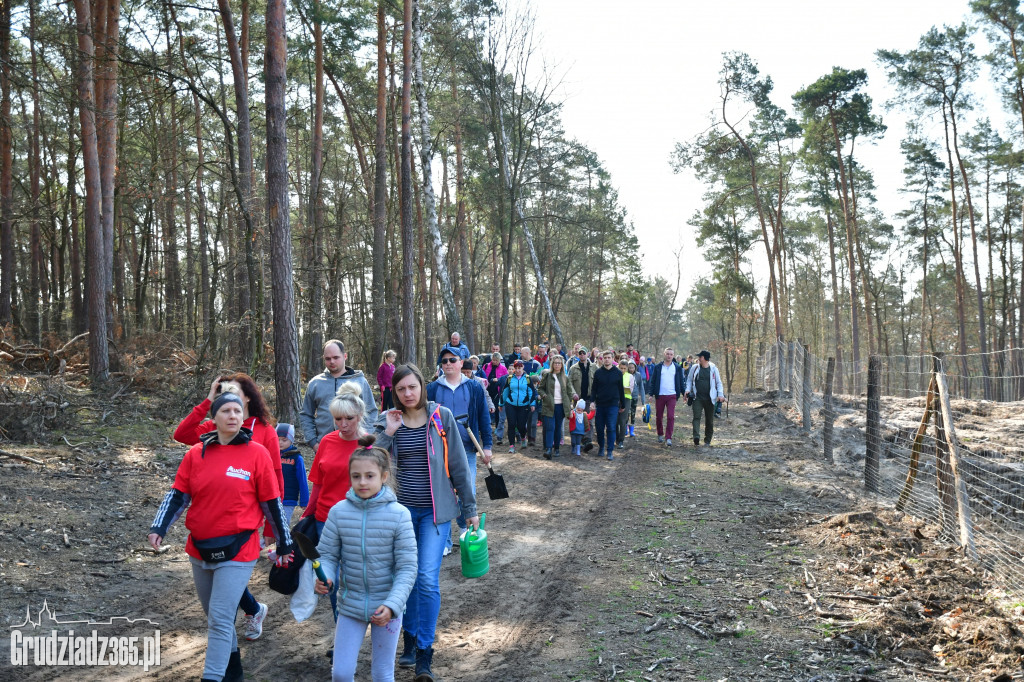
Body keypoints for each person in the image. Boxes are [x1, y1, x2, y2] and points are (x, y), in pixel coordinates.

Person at [149, 392, 294, 682]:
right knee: (217, 618)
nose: (232, 416)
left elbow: (272, 503)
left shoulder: (257, 453)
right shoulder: (195, 454)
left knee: (219, 617)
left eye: (237, 411)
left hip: (239, 549)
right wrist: (159, 527)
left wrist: (284, 542)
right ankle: (234, 672)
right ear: (213, 418)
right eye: (226, 410)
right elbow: (178, 495)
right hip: (199, 548)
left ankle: (211, 677)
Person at [375, 364, 478, 682]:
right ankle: (407, 639)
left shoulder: (441, 416)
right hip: (400, 516)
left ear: (422, 386)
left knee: (426, 578)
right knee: (404, 579)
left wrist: (470, 508)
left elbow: (459, 463)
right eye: (401, 389)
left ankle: (424, 652)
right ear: (395, 391)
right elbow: (368, 462)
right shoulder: (389, 421)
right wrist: (388, 433)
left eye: (412, 387)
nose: (407, 393)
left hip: (435, 515)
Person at [173, 373, 283, 641]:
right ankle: (251, 613)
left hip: (246, 522)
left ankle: (243, 621)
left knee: (230, 575)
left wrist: (272, 526)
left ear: (247, 397)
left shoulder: (265, 431)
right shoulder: (213, 429)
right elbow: (182, 434)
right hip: (211, 524)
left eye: (234, 394)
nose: (229, 402)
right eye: (223, 395)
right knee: (225, 577)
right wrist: (207, 401)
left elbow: (276, 478)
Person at [314, 443, 417, 682]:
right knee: (340, 673)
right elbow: (326, 555)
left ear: (383, 476)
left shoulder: (400, 514)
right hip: (350, 606)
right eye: (356, 476)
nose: (362, 482)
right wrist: (322, 577)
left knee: (382, 674)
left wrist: (392, 605)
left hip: (387, 608)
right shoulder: (339, 512)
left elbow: (407, 568)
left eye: (369, 476)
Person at [426, 347, 493, 555]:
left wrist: (487, 446)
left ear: (461, 362)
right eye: (444, 360)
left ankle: (465, 531)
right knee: (444, 495)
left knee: (467, 492)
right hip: (440, 450)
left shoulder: (474, 387)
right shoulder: (432, 389)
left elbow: (483, 416)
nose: (448, 363)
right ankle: (444, 542)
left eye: (452, 360)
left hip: (467, 449)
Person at [301, 340, 379, 447]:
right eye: (328, 359)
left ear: (345, 356)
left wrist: (364, 438)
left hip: (355, 446)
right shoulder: (315, 383)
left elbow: (371, 412)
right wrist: (313, 442)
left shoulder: (360, 382)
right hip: (324, 445)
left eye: (336, 357)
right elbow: (306, 414)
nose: (332, 361)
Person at [685, 350, 725, 447]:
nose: (698, 358)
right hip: (697, 398)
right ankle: (696, 437)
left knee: (709, 420)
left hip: (710, 398)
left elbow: (719, 383)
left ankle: (707, 440)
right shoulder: (695, 368)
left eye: (700, 357)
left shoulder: (713, 369)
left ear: (705, 358)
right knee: (696, 417)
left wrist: (720, 394)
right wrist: (687, 390)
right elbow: (689, 380)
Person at [590, 350, 625, 461]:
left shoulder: (618, 373)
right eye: (604, 357)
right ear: (602, 359)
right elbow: (594, 389)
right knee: (599, 428)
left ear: (612, 359)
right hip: (600, 404)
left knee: (610, 427)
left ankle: (610, 451)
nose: (607, 359)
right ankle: (601, 447)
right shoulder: (598, 372)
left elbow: (621, 389)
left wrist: (622, 404)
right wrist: (592, 401)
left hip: (613, 405)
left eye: (609, 357)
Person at [648, 348, 684, 446]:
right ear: (664, 354)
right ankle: (660, 433)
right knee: (659, 416)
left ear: (673, 355)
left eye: (671, 354)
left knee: (671, 416)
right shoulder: (658, 367)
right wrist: (651, 394)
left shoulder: (677, 367)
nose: (669, 356)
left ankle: (668, 437)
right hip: (660, 395)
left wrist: (684, 393)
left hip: (672, 395)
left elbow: (681, 382)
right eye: (667, 354)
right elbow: (653, 381)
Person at [538, 355, 570, 458]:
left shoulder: (565, 377)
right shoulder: (547, 375)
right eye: (555, 363)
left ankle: (556, 448)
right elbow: (540, 388)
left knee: (557, 428)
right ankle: (548, 449)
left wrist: (572, 401)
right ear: (552, 364)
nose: (557, 365)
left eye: (559, 363)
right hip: (548, 405)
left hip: (560, 406)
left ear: (562, 365)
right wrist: (544, 396)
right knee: (550, 427)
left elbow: (569, 391)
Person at [276, 423, 309, 525]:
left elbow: (302, 480)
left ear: (291, 440)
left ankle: (283, 541)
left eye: (284, 440)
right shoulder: (272, 454)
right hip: (273, 498)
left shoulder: (296, 458)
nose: (280, 442)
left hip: (288, 499)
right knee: (273, 526)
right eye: (278, 439)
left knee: (283, 525)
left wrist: (304, 501)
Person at [502, 360, 535, 453]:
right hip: (510, 404)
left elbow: (531, 392)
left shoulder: (528, 378)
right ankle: (512, 446)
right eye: (516, 368)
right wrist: (501, 404)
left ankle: (523, 438)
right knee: (511, 424)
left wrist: (532, 404)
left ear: (523, 367)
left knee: (521, 425)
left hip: (523, 405)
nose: (517, 370)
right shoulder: (510, 378)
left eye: (519, 368)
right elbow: (505, 391)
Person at [482, 352, 508, 445]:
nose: (494, 362)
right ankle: (486, 427)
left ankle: (498, 429)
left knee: (497, 410)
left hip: (498, 392)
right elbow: (482, 376)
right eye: (493, 360)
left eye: (496, 360)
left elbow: (506, 379)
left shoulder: (503, 368)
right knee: (487, 409)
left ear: (499, 360)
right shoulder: (486, 366)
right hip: (487, 390)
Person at [627, 360, 647, 438]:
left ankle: (631, 430)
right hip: (627, 397)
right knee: (627, 413)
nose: (631, 369)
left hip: (634, 397)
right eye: (630, 368)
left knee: (632, 413)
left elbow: (641, 388)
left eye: (633, 367)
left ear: (635, 367)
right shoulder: (626, 375)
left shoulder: (638, 375)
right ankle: (625, 429)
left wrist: (643, 400)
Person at [616, 360, 631, 448]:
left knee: (622, 420)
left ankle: (621, 440)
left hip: (626, 399)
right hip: (615, 399)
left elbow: (631, 389)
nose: (622, 370)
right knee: (614, 420)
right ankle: (616, 438)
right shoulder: (615, 375)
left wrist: (621, 389)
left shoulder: (630, 376)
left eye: (624, 368)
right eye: (621, 368)